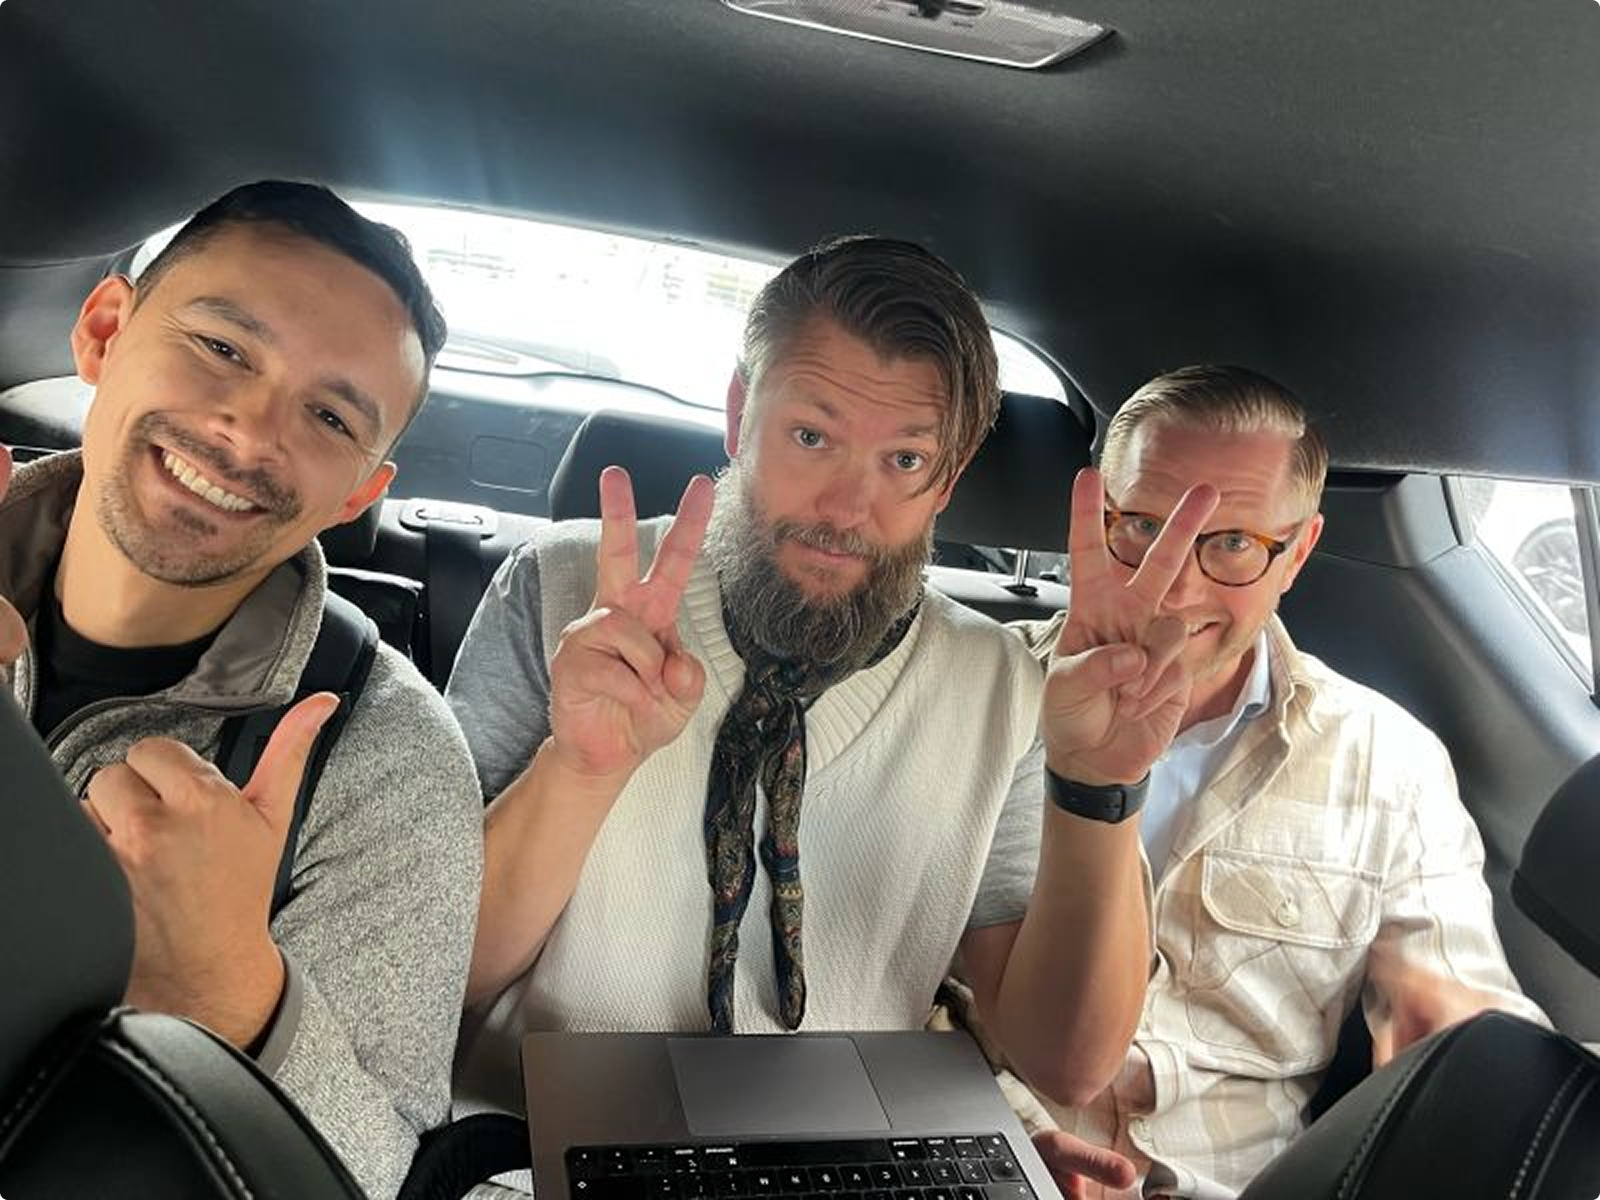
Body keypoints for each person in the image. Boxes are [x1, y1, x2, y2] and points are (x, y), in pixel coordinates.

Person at [446, 238, 1174, 1157]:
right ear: (739, 414)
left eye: (904, 460)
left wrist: (1099, 792)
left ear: (948, 480)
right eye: (811, 437)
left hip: (843, 1162)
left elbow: (1066, 1067)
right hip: (529, 1147)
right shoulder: (561, 593)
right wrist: (579, 770)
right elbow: (443, 974)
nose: (845, 508)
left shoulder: (1005, 691)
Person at [0, 181, 483, 1200]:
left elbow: (371, 1172)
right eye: (223, 347)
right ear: (103, 331)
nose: (251, 433)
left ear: (358, 494)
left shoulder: (389, 756)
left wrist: (227, 989)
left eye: (329, 416)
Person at [1018, 365, 1544, 1199]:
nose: (1176, 585)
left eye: (1231, 542)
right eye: (1144, 526)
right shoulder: (977, 691)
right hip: (981, 1159)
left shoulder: (1387, 763)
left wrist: (1480, 1087)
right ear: (1097, 514)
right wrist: (1002, 1131)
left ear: (1296, 552)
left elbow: (1457, 1029)